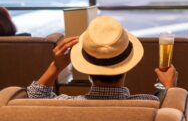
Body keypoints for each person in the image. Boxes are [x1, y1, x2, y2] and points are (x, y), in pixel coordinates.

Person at [27, 16, 177, 101]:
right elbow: (173, 118)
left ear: (86, 66)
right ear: (128, 65)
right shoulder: (150, 104)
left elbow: (34, 95)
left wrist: (56, 67)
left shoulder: (67, 104)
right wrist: (170, 88)